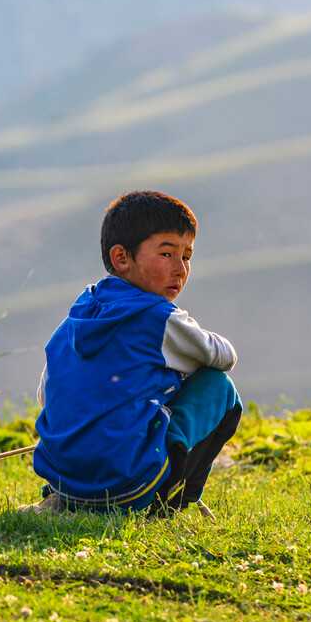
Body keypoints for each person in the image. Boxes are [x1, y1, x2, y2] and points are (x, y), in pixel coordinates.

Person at [24, 190, 242, 515]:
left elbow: (46, 394)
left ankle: (63, 498)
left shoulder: (78, 315)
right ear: (122, 258)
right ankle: (172, 501)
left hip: (65, 484)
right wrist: (183, 354)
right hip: (127, 489)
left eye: (187, 256)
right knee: (217, 386)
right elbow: (223, 356)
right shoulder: (158, 318)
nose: (180, 269)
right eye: (167, 254)